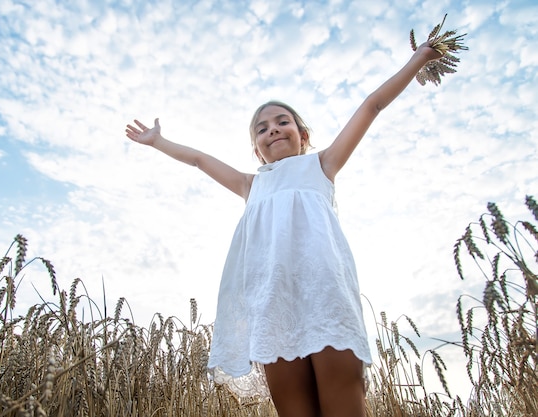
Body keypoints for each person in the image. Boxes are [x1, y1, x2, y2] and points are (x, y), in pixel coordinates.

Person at [126, 41, 443, 417]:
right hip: (272, 305)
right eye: (262, 129)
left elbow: (371, 105)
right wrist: (158, 141)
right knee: (294, 409)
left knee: (343, 402)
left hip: (325, 296)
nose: (273, 130)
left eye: (283, 122)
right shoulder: (251, 184)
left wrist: (418, 59)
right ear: (257, 150)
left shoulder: (323, 165)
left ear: (303, 135)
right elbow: (198, 160)